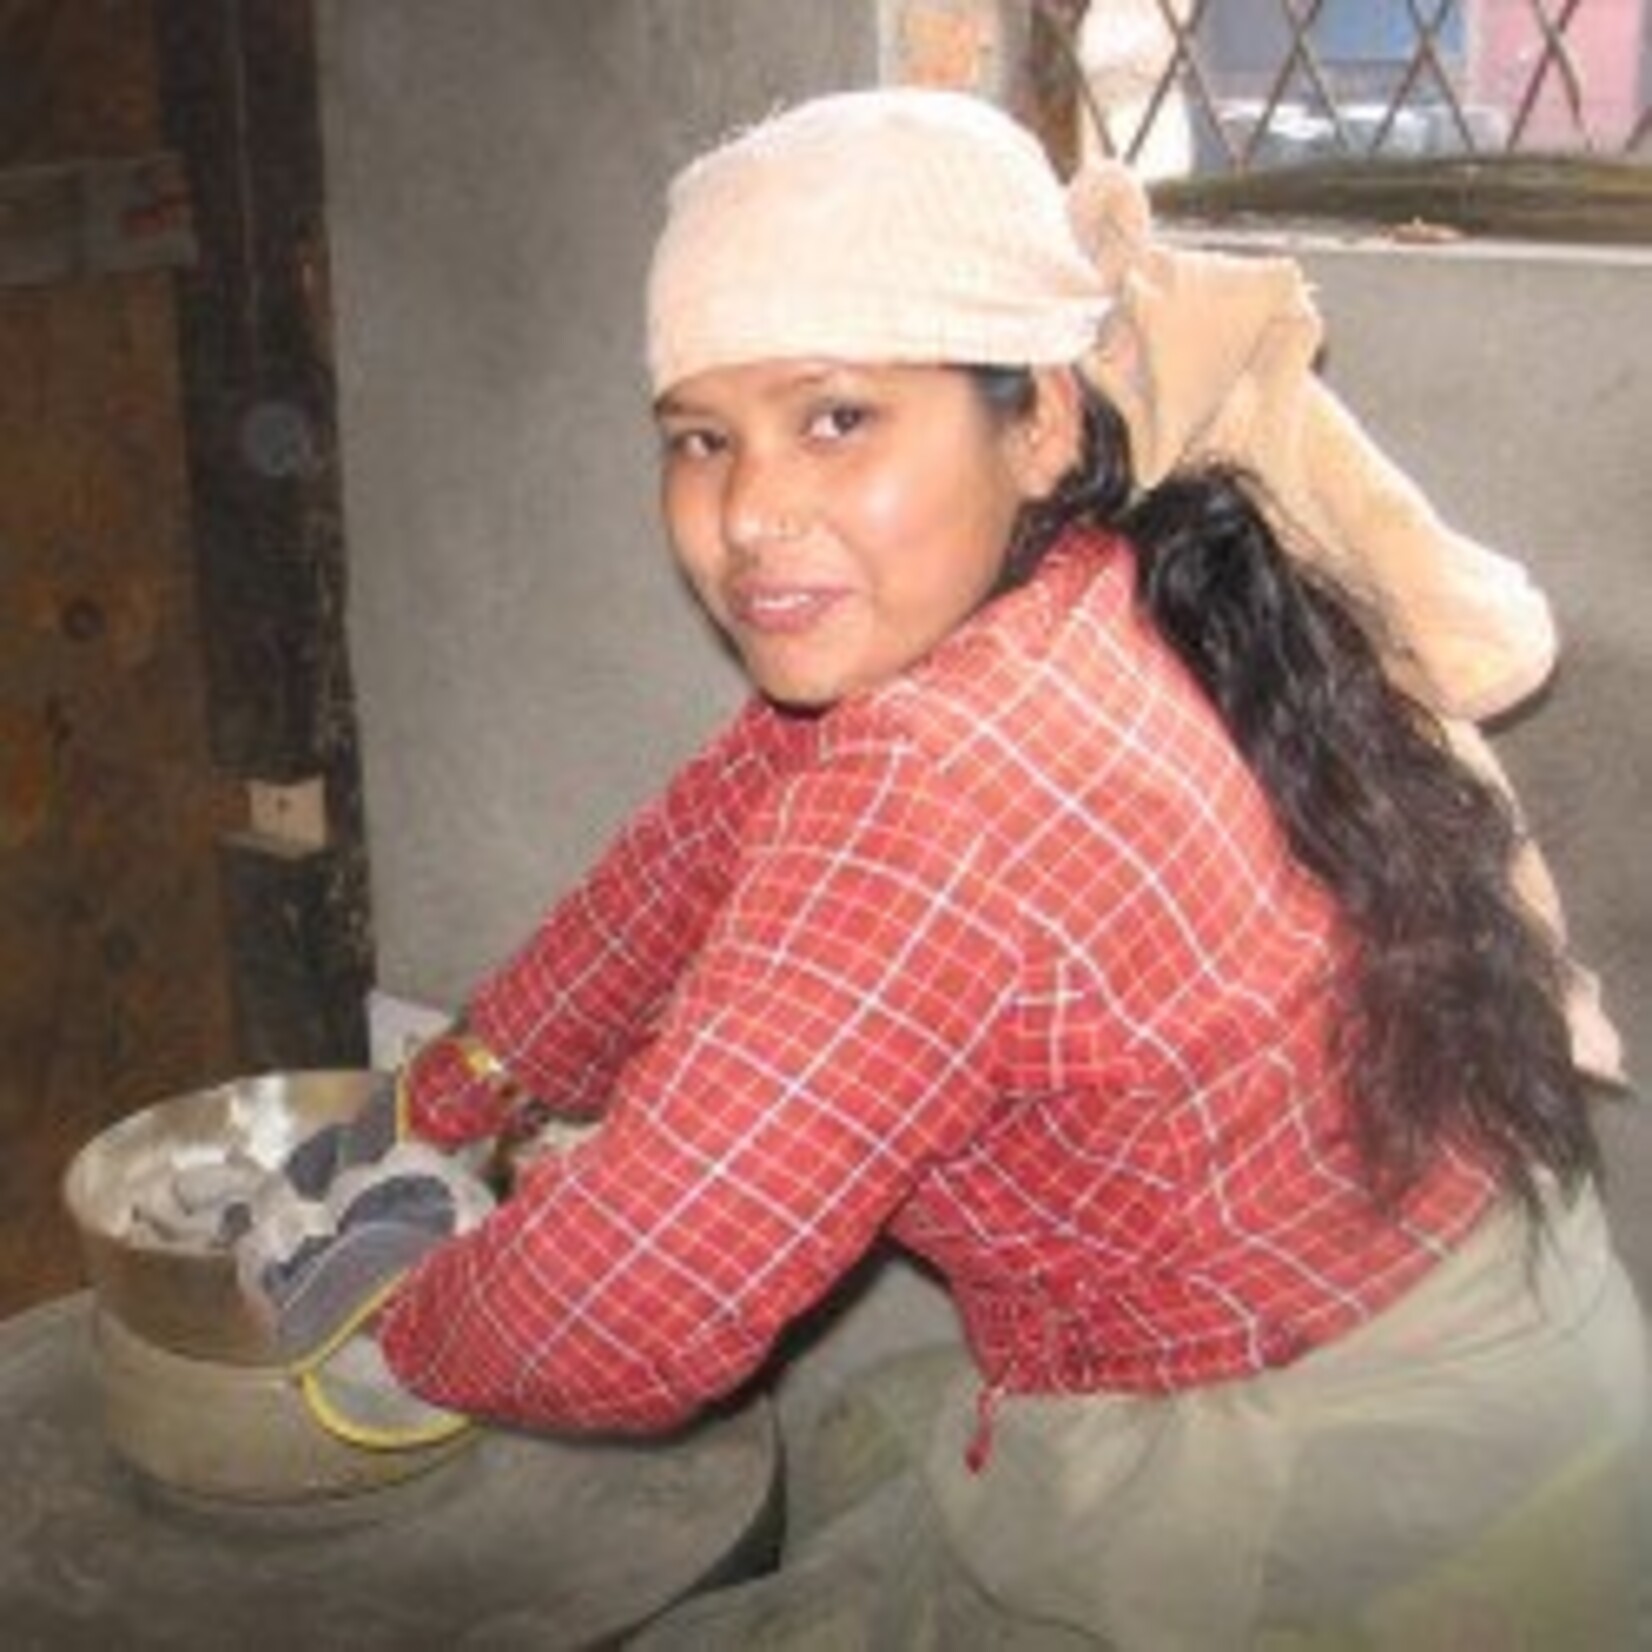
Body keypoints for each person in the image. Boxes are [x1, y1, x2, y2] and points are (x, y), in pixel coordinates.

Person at [365, 89, 1647, 1646]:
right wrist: (460, 1089)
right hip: (1502, 1352)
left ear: (1037, 418)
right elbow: (688, 855)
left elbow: (626, 1316)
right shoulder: (1088, 574)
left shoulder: (946, 781)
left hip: (1363, 1523)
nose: (751, 513)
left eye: (836, 417)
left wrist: (369, 1325)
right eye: (702, 438)